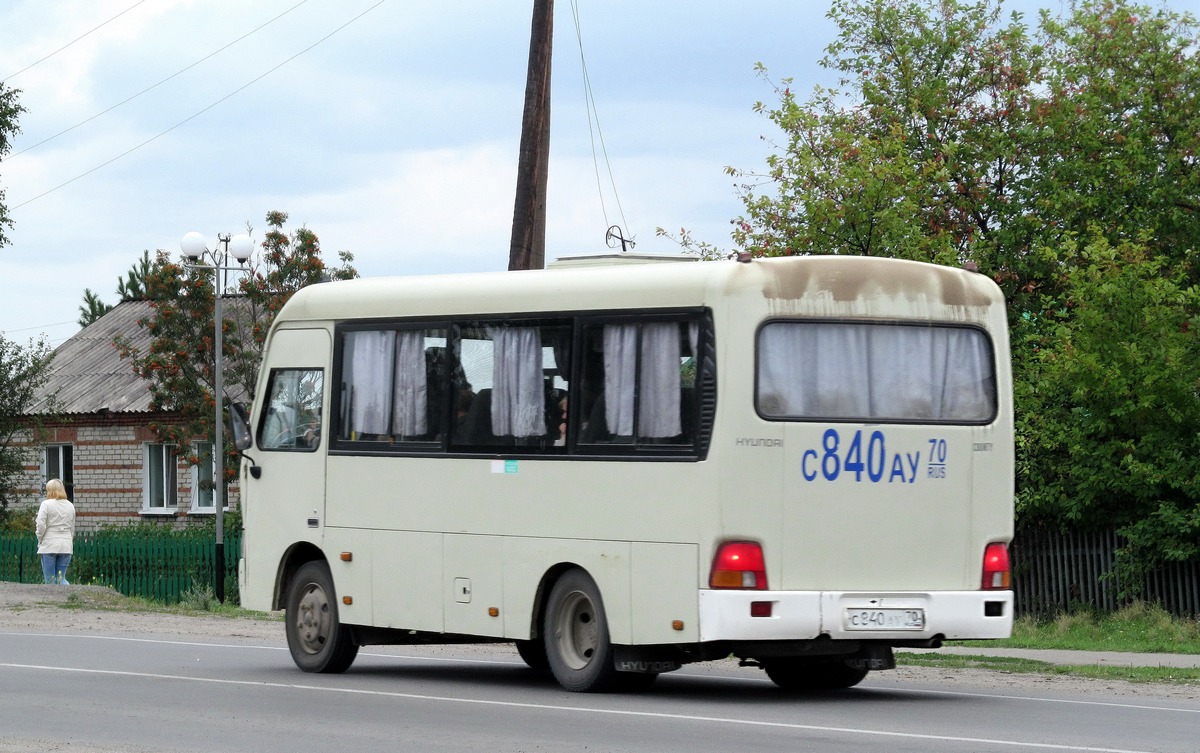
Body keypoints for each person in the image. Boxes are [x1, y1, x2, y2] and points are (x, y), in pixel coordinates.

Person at [36, 479, 75, 585]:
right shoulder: (70, 505)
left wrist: (40, 539)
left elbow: (40, 525)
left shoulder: (46, 504)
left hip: (49, 544)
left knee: (50, 579)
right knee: (61, 579)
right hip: (66, 545)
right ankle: (68, 598)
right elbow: (72, 528)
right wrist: (69, 541)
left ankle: (50, 600)